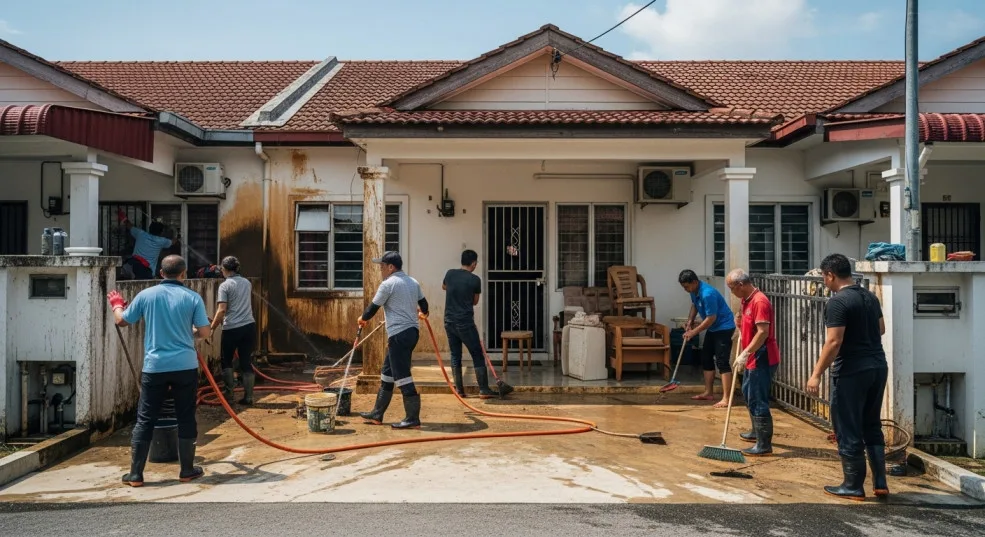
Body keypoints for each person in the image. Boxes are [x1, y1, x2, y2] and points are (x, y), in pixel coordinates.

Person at [107, 254, 210, 487]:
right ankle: (186, 471)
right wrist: (189, 334)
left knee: (145, 419)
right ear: (184, 274)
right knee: (185, 416)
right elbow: (204, 333)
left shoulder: (146, 295)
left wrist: (116, 305)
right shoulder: (193, 297)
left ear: (160, 273)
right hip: (185, 366)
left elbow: (122, 321)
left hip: (155, 367)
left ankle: (135, 475)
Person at [807, 253, 888, 501]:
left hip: (852, 371)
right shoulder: (869, 296)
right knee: (871, 424)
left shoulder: (838, 302)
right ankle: (880, 483)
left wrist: (816, 374)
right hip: (877, 366)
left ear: (830, 274)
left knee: (848, 426)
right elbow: (881, 329)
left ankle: (853, 485)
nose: (824, 281)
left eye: (823, 276)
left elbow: (834, 341)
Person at [358, 251, 429, 430]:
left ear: (391, 267)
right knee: (387, 373)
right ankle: (377, 413)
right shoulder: (413, 282)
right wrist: (423, 314)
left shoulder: (388, 284)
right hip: (411, 332)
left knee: (402, 375)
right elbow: (425, 305)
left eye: (382, 266)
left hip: (399, 334)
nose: (380, 270)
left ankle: (413, 418)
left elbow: (373, 307)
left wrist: (363, 319)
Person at [726, 268, 781, 457]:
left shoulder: (760, 301)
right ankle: (755, 432)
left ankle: (764, 444)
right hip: (752, 355)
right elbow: (745, 318)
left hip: (762, 356)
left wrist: (745, 352)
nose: (731, 292)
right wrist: (739, 321)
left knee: (758, 398)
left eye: (732, 288)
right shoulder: (746, 299)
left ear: (741, 285)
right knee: (748, 393)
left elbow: (763, 332)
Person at [442, 249, 503, 399]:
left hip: (449, 321)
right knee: (476, 353)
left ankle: (459, 390)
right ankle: (483, 389)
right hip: (465, 322)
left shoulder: (450, 274)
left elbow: (444, 287)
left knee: (455, 355)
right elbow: (475, 302)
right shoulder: (475, 280)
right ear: (474, 263)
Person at [679, 269, 736, 408]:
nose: (686, 290)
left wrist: (693, 332)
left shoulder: (707, 294)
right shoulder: (694, 291)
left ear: (694, 282)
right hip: (713, 328)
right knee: (706, 358)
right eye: (683, 287)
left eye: (687, 287)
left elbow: (711, 318)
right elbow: (694, 306)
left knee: (722, 361)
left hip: (724, 327)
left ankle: (726, 398)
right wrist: (690, 322)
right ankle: (708, 392)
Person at [210, 256, 257, 405]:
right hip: (249, 326)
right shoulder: (247, 283)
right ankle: (249, 397)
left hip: (232, 328)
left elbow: (222, 310)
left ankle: (229, 396)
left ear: (224, 269)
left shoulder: (225, 286)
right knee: (245, 361)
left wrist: (212, 328)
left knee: (226, 361)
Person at [119, 211, 178, 280]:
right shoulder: (161, 241)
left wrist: (123, 218)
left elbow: (129, 225)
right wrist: (177, 235)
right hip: (145, 272)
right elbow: (173, 242)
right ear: (161, 232)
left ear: (149, 229)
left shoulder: (141, 234)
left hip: (131, 267)